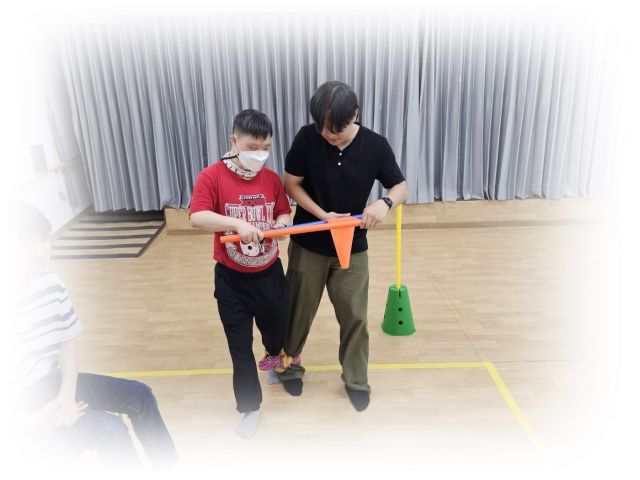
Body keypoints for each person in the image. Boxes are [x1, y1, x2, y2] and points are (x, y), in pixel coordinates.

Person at [9, 202, 178, 469]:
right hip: (19, 406)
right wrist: (31, 421)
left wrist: (67, 396)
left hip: (52, 384)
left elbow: (67, 340)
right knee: (110, 429)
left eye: (43, 240)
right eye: (26, 245)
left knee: (140, 395)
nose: (41, 251)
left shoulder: (50, 282)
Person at [278, 81, 408, 411]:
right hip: (308, 241)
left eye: (335, 128)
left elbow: (399, 186)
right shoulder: (307, 138)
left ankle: (356, 379)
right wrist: (322, 215)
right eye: (322, 127)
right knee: (296, 311)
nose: (328, 134)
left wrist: (384, 204)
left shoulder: (375, 145)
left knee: (355, 316)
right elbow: (291, 184)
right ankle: (289, 367)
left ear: (354, 115)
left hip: (353, 245)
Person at [189, 109, 293, 438]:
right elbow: (197, 216)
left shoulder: (271, 179)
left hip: (269, 274)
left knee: (276, 332)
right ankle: (250, 407)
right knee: (239, 347)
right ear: (234, 141)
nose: (259, 155)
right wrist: (236, 223)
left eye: (266, 148)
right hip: (231, 280)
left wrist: (282, 225)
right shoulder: (211, 176)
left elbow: (283, 212)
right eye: (252, 147)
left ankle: (274, 359)